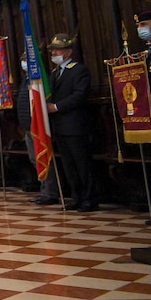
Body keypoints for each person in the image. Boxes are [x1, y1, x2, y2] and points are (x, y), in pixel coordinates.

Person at [45, 34, 96, 212]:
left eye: (57, 49)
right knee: (68, 165)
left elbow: (79, 95)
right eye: (52, 49)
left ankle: (89, 198)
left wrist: (57, 107)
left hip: (75, 126)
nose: (53, 52)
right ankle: (75, 197)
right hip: (59, 127)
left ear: (68, 52)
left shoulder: (78, 70)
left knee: (81, 164)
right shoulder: (54, 73)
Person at [14, 53, 58, 205]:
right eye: (22, 60)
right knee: (35, 159)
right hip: (28, 127)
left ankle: (50, 192)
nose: (24, 63)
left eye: (26, 60)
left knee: (44, 157)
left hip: (38, 126)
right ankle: (44, 190)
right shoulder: (26, 79)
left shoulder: (40, 79)